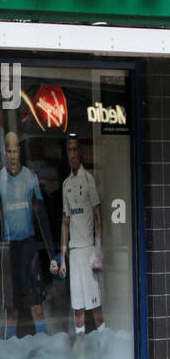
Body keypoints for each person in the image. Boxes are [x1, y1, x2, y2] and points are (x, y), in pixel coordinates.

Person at [0, 131, 58, 337]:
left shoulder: (31, 178)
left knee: (36, 306)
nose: (12, 156)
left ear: (19, 152)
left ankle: (44, 349)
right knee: (11, 309)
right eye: (9, 152)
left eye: (15, 151)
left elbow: (42, 219)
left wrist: (53, 255)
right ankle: (10, 355)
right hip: (9, 249)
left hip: (29, 248)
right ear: (5, 153)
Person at [60, 135, 105, 333]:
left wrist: (98, 251)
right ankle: (81, 353)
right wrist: (62, 258)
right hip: (74, 252)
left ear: (81, 153)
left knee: (95, 305)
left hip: (88, 251)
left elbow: (98, 216)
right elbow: (65, 221)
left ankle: (105, 346)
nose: (72, 154)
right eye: (69, 150)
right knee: (77, 307)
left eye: (75, 149)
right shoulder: (65, 184)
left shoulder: (89, 180)